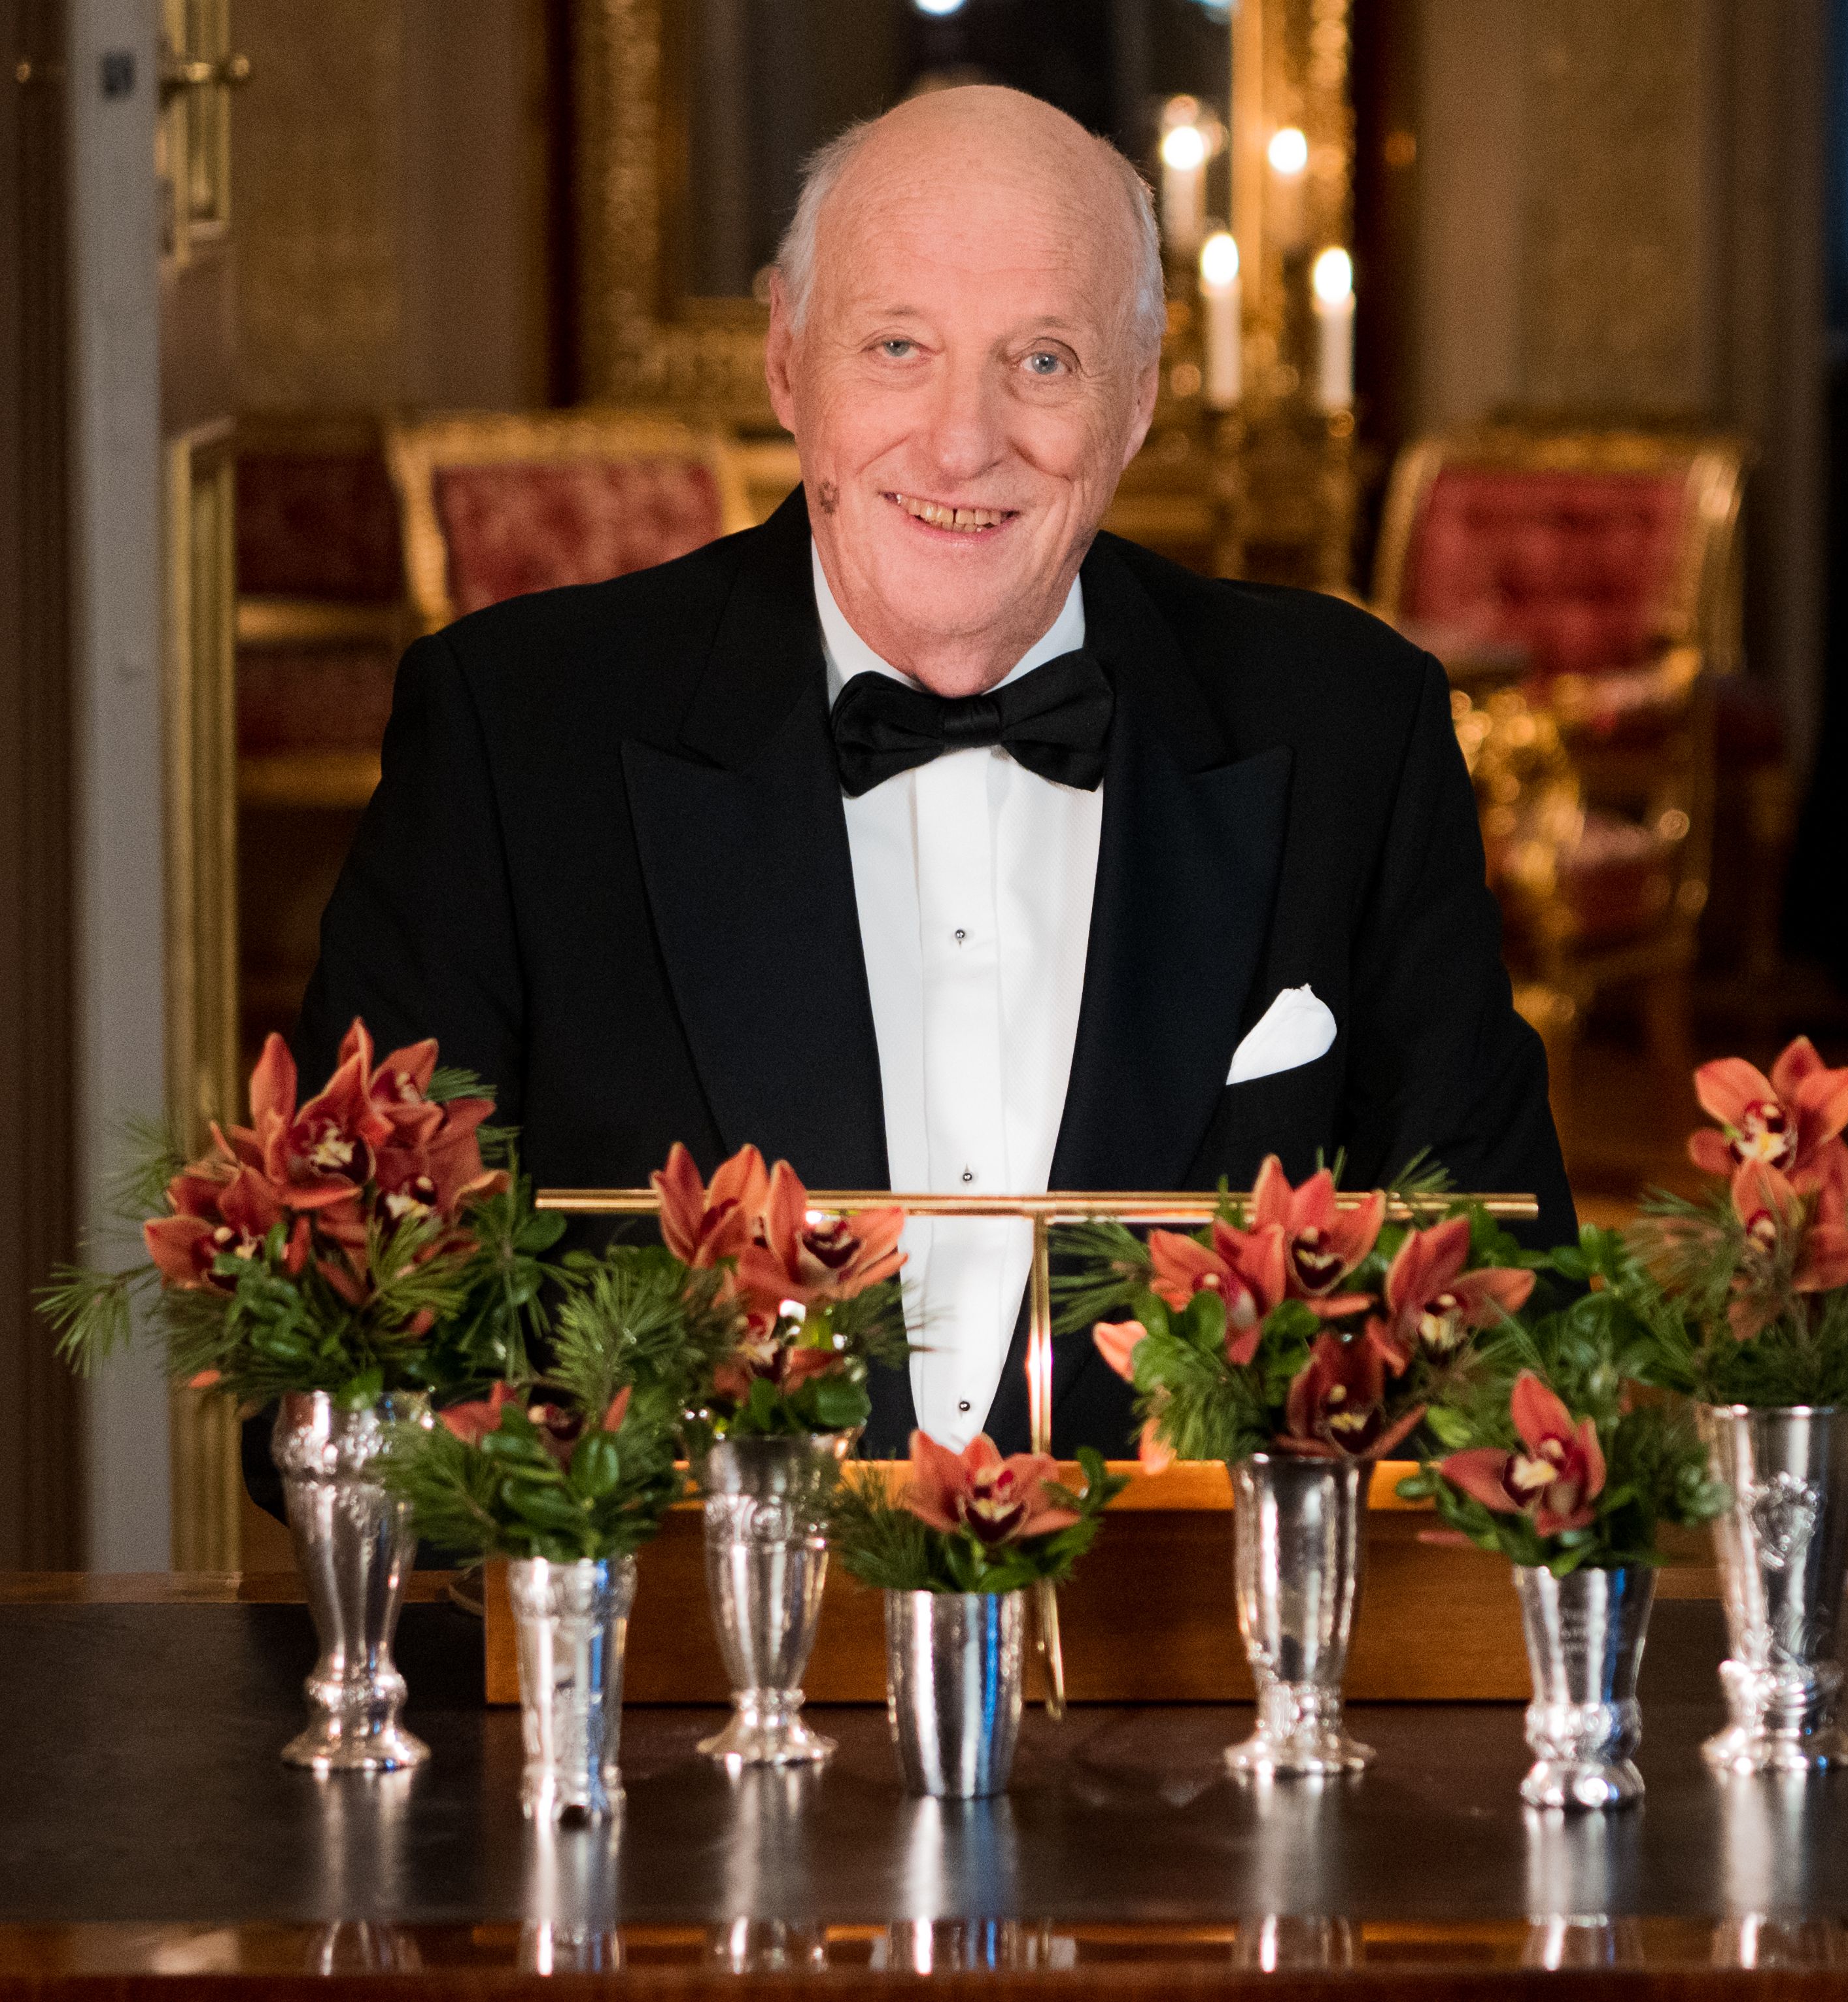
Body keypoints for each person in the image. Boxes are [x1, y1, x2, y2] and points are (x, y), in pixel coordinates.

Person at [284, 84, 1571, 1484]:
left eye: (1044, 361)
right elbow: (341, 1367)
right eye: (898, 346)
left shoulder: (1350, 729)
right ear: (788, 362)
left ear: (1139, 399)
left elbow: (1513, 1319)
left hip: (1192, 1625)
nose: (965, 443)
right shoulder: (516, 734)